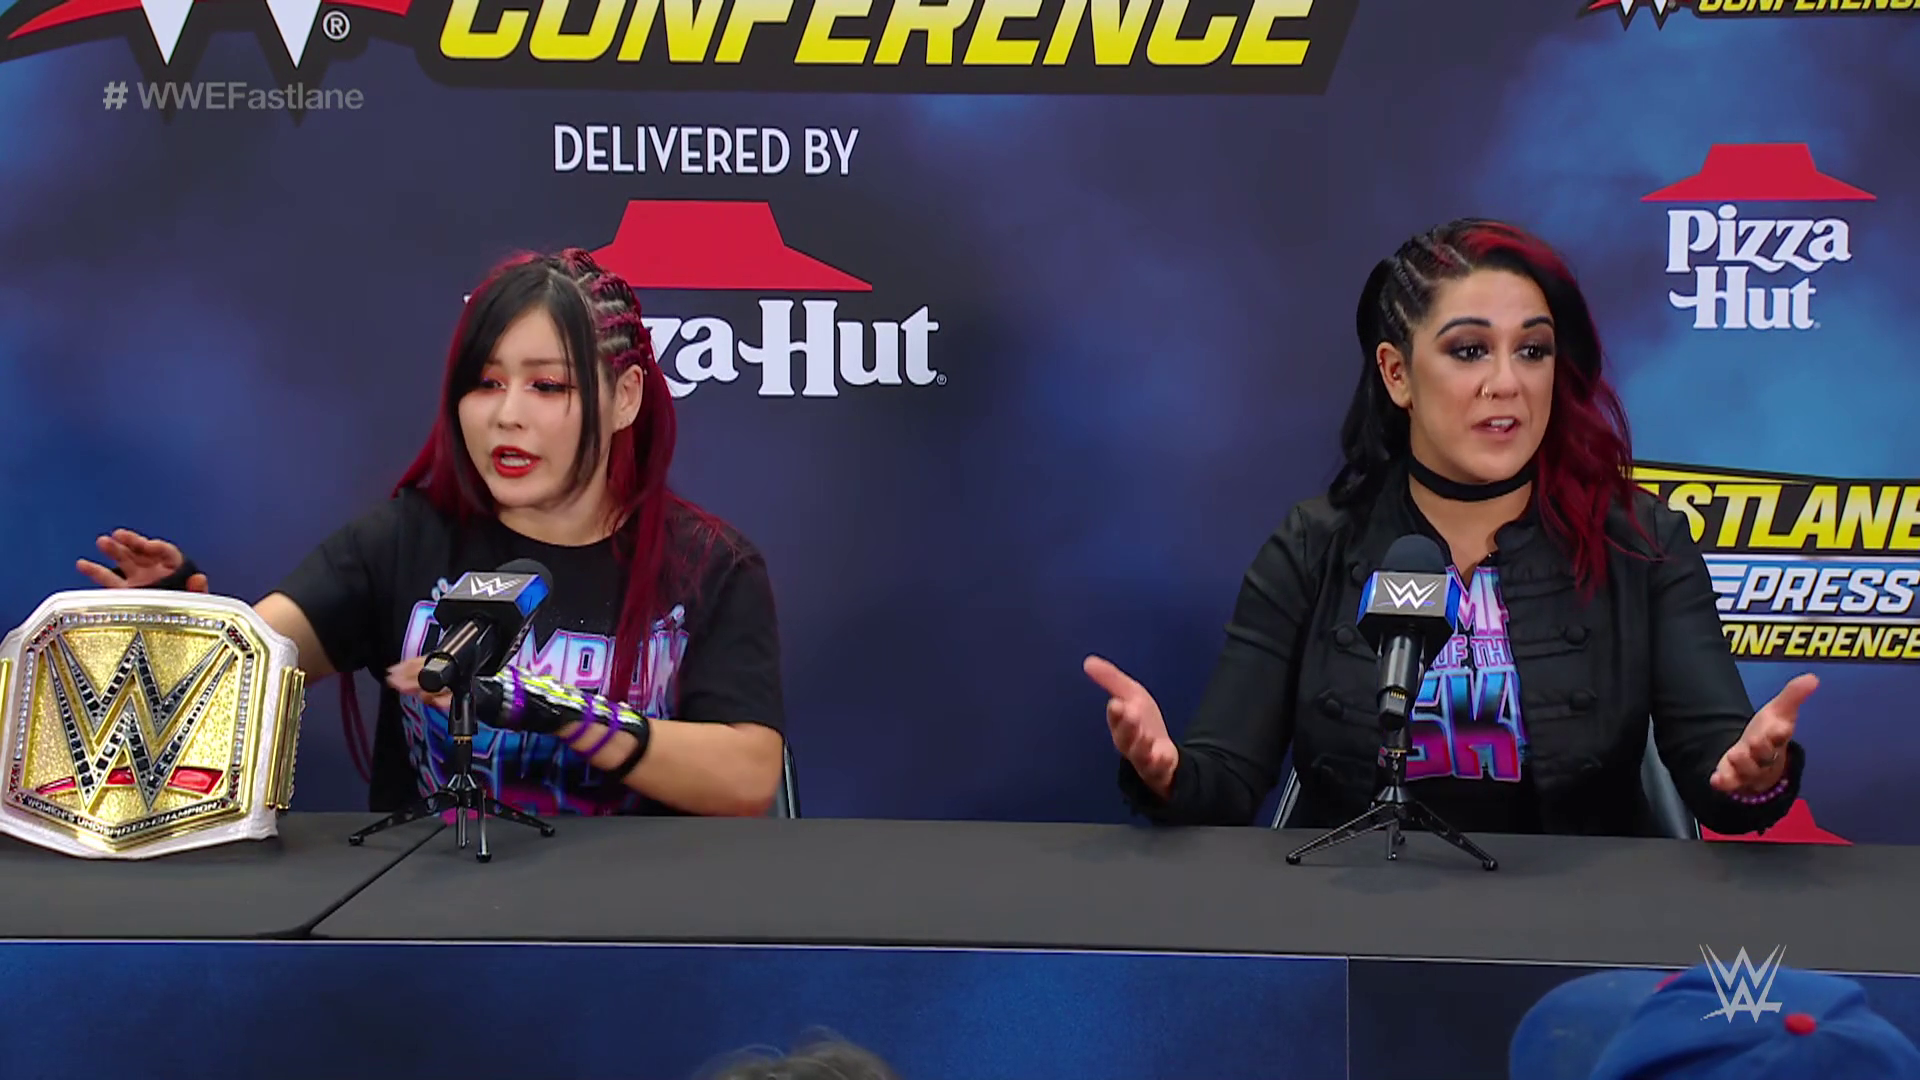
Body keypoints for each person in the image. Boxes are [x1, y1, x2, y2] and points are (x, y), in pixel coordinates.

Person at [1084, 219, 1814, 837]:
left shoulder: (1640, 541)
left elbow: (1720, 777)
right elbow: (1222, 784)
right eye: (1469, 351)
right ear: (1397, 374)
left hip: (1579, 921)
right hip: (1364, 918)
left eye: (1532, 351)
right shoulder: (1315, 545)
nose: (1507, 383)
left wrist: (1758, 772)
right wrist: (1165, 771)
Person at [76, 249, 786, 818]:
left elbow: (748, 778)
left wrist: (555, 711)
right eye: (486, 383)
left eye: (547, 386)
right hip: (432, 927)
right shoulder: (401, 543)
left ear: (625, 398)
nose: (507, 415)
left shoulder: (710, 567)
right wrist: (182, 632)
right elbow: (245, 675)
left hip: (638, 930)